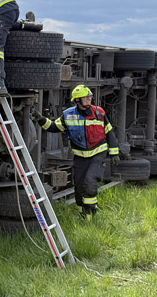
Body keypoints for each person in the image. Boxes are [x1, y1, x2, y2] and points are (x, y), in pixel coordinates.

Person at [31, 85, 119, 220]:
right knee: (79, 187)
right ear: (77, 100)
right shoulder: (68, 115)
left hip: (98, 154)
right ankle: (82, 213)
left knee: (90, 183)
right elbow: (53, 127)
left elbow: (109, 133)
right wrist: (41, 119)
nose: (89, 99)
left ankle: (90, 215)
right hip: (80, 157)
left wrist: (114, 153)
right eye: (86, 97)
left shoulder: (99, 113)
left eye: (90, 96)